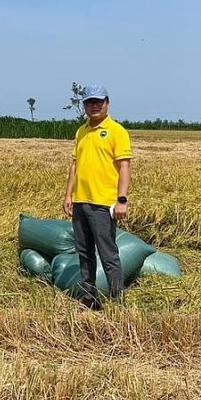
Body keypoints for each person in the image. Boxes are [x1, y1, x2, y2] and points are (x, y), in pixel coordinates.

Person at [63, 84, 132, 309]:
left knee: (108, 254)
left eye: (98, 101)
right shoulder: (81, 132)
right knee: (84, 253)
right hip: (81, 202)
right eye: (89, 102)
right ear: (83, 105)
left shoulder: (116, 131)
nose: (94, 105)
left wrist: (122, 200)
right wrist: (68, 195)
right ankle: (88, 297)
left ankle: (116, 301)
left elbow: (124, 167)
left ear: (107, 103)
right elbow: (75, 166)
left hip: (103, 204)